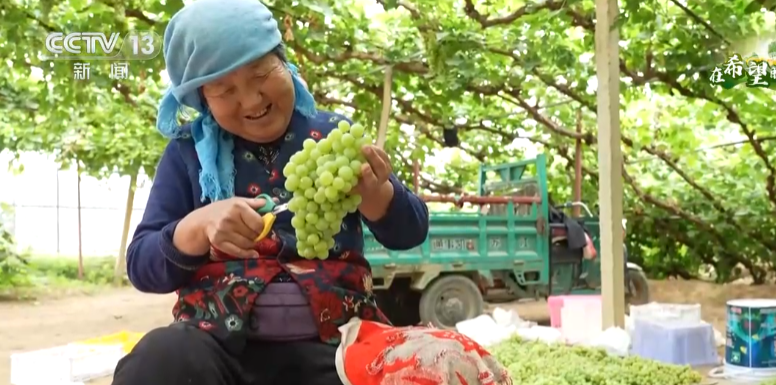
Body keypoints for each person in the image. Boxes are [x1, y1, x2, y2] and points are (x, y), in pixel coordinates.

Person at [113, 1, 512, 384]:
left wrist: (377, 196)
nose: (251, 99)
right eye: (224, 90)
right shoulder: (187, 155)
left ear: (284, 61)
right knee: (158, 358)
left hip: (340, 348)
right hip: (219, 347)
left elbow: (412, 231)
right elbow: (143, 265)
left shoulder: (334, 137)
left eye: (260, 73)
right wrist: (196, 228)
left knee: (452, 361)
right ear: (202, 98)